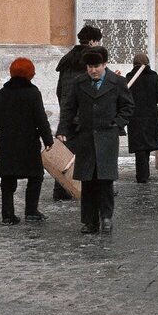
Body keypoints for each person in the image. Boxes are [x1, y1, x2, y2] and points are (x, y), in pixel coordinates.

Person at [56, 46, 134, 235]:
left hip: (107, 139)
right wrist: (63, 129)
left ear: (105, 64)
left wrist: (117, 124)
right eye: (90, 66)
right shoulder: (79, 82)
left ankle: (106, 217)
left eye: (97, 66)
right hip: (85, 138)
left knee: (105, 181)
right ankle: (89, 221)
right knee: (88, 181)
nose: (93, 70)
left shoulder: (117, 82)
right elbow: (68, 108)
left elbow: (128, 106)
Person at [0, 57, 53, 225]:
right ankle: (31, 211)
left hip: (8, 143)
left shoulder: (2, 94)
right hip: (29, 143)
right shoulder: (33, 93)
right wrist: (48, 139)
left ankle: (7, 215)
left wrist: (3, 129)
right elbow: (41, 119)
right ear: (29, 74)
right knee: (35, 177)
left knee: (8, 180)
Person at [53, 24, 102, 201]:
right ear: (91, 41)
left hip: (69, 113)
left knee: (67, 152)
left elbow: (60, 90)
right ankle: (96, 190)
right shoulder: (91, 62)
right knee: (92, 153)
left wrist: (66, 109)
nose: (98, 44)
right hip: (85, 115)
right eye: (97, 41)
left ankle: (60, 190)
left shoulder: (67, 60)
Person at [125, 52, 158, 183]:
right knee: (146, 145)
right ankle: (143, 174)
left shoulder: (129, 78)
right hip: (151, 117)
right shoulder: (153, 77)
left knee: (140, 148)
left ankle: (142, 174)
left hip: (135, 118)